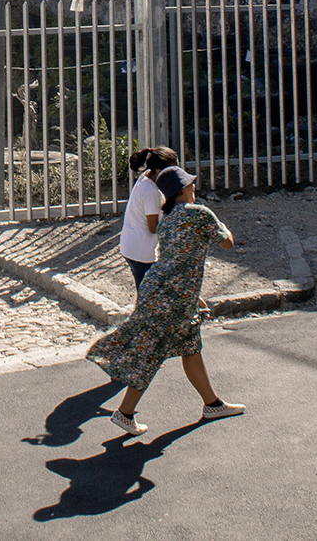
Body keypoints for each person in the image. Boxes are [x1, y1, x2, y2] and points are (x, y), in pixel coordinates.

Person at [87, 166, 245, 435]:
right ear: (181, 190)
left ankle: (213, 404)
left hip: (162, 290)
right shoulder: (199, 214)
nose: (194, 188)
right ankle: (125, 413)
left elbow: (177, 261)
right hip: (172, 298)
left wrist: (193, 297)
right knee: (153, 351)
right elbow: (227, 243)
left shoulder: (168, 218)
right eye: (190, 185)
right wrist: (225, 227)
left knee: (189, 345)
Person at [118, 147, 178, 288]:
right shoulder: (152, 192)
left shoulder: (145, 176)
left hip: (130, 246)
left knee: (146, 293)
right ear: (159, 171)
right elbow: (153, 228)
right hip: (142, 253)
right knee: (149, 296)